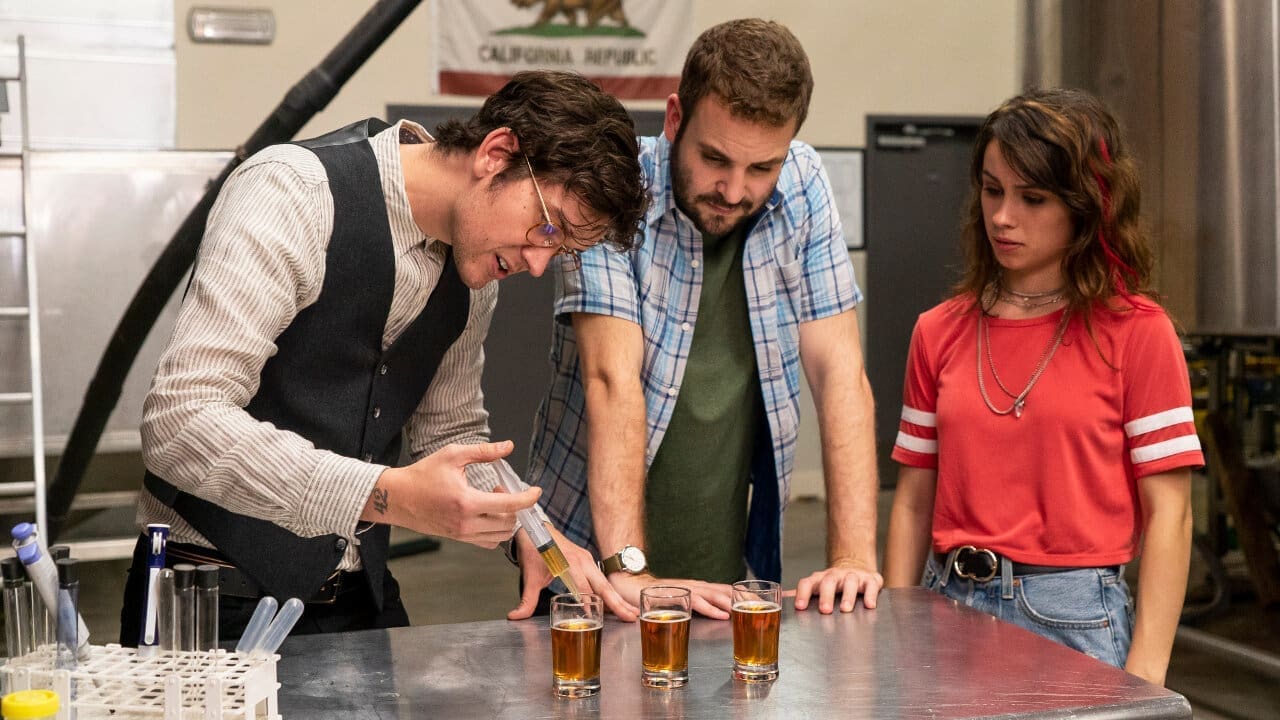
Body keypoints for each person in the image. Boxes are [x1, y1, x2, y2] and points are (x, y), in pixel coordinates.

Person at [119, 70, 650, 643]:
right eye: (548, 228)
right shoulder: (293, 194)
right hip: (206, 599)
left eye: (563, 250)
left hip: (356, 600)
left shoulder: (475, 269)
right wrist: (385, 495)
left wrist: (533, 531)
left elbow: (449, 429)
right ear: (496, 153)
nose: (540, 263)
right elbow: (180, 422)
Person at [523, 19, 883, 620]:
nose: (734, 190)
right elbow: (612, 381)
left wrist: (852, 557)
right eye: (714, 158)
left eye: (761, 168)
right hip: (589, 566)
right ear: (674, 120)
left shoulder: (804, 184)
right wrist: (630, 572)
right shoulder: (612, 188)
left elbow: (840, 370)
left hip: (726, 573)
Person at [883, 88, 1201, 685]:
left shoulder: (1138, 333)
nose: (1003, 216)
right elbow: (912, 501)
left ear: (1086, 205)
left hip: (1073, 619)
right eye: (991, 189)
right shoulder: (937, 332)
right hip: (945, 607)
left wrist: (1146, 675)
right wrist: (894, 633)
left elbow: (1172, 515)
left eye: (1033, 198)